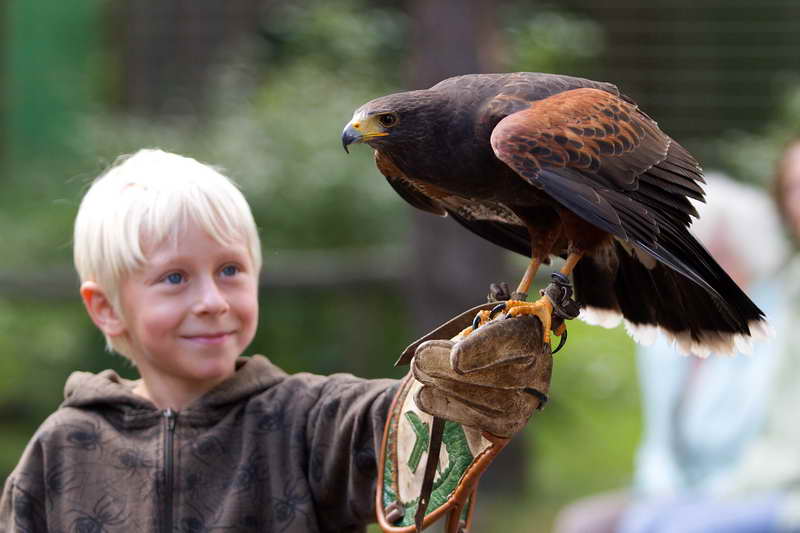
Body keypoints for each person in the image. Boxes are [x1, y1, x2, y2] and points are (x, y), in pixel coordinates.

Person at [0, 149, 547, 532]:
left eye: (230, 270)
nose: (212, 299)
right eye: (175, 278)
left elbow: (397, 421)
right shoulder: (64, 448)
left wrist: (456, 392)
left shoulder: (309, 421)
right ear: (106, 309)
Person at [554, 168, 794, 533]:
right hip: (681, 494)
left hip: (752, 489)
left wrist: (688, 507)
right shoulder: (668, 338)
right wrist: (661, 494)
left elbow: (765, 446)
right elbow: (658, 444)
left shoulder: (776, 329)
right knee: (583, 522)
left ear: (750, 256)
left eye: (718, 258)